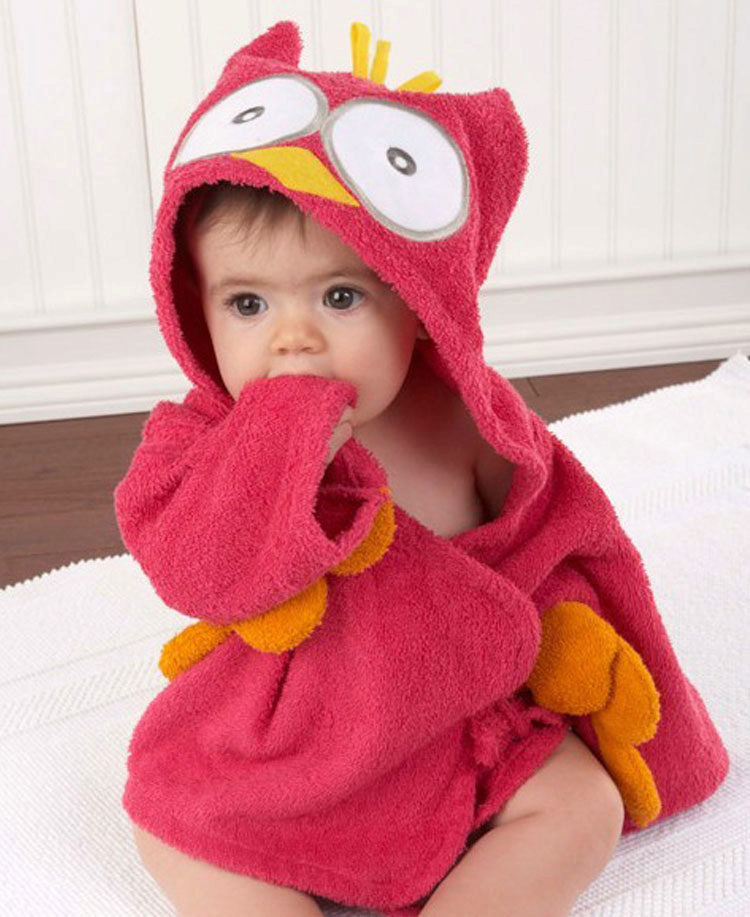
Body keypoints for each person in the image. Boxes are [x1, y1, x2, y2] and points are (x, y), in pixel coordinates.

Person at [115, 20, 729, 917]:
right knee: (175, 816)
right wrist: (276, 454)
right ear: (195, 309)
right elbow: (200, 568)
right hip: (279, 732)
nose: (293, 338)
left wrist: (569, 648)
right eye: (247, 303)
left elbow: (562, 546)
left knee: (581, 804)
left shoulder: (470, 426)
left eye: (341, 296)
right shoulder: (198, 441)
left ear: (417, 301)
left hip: (455, 723)